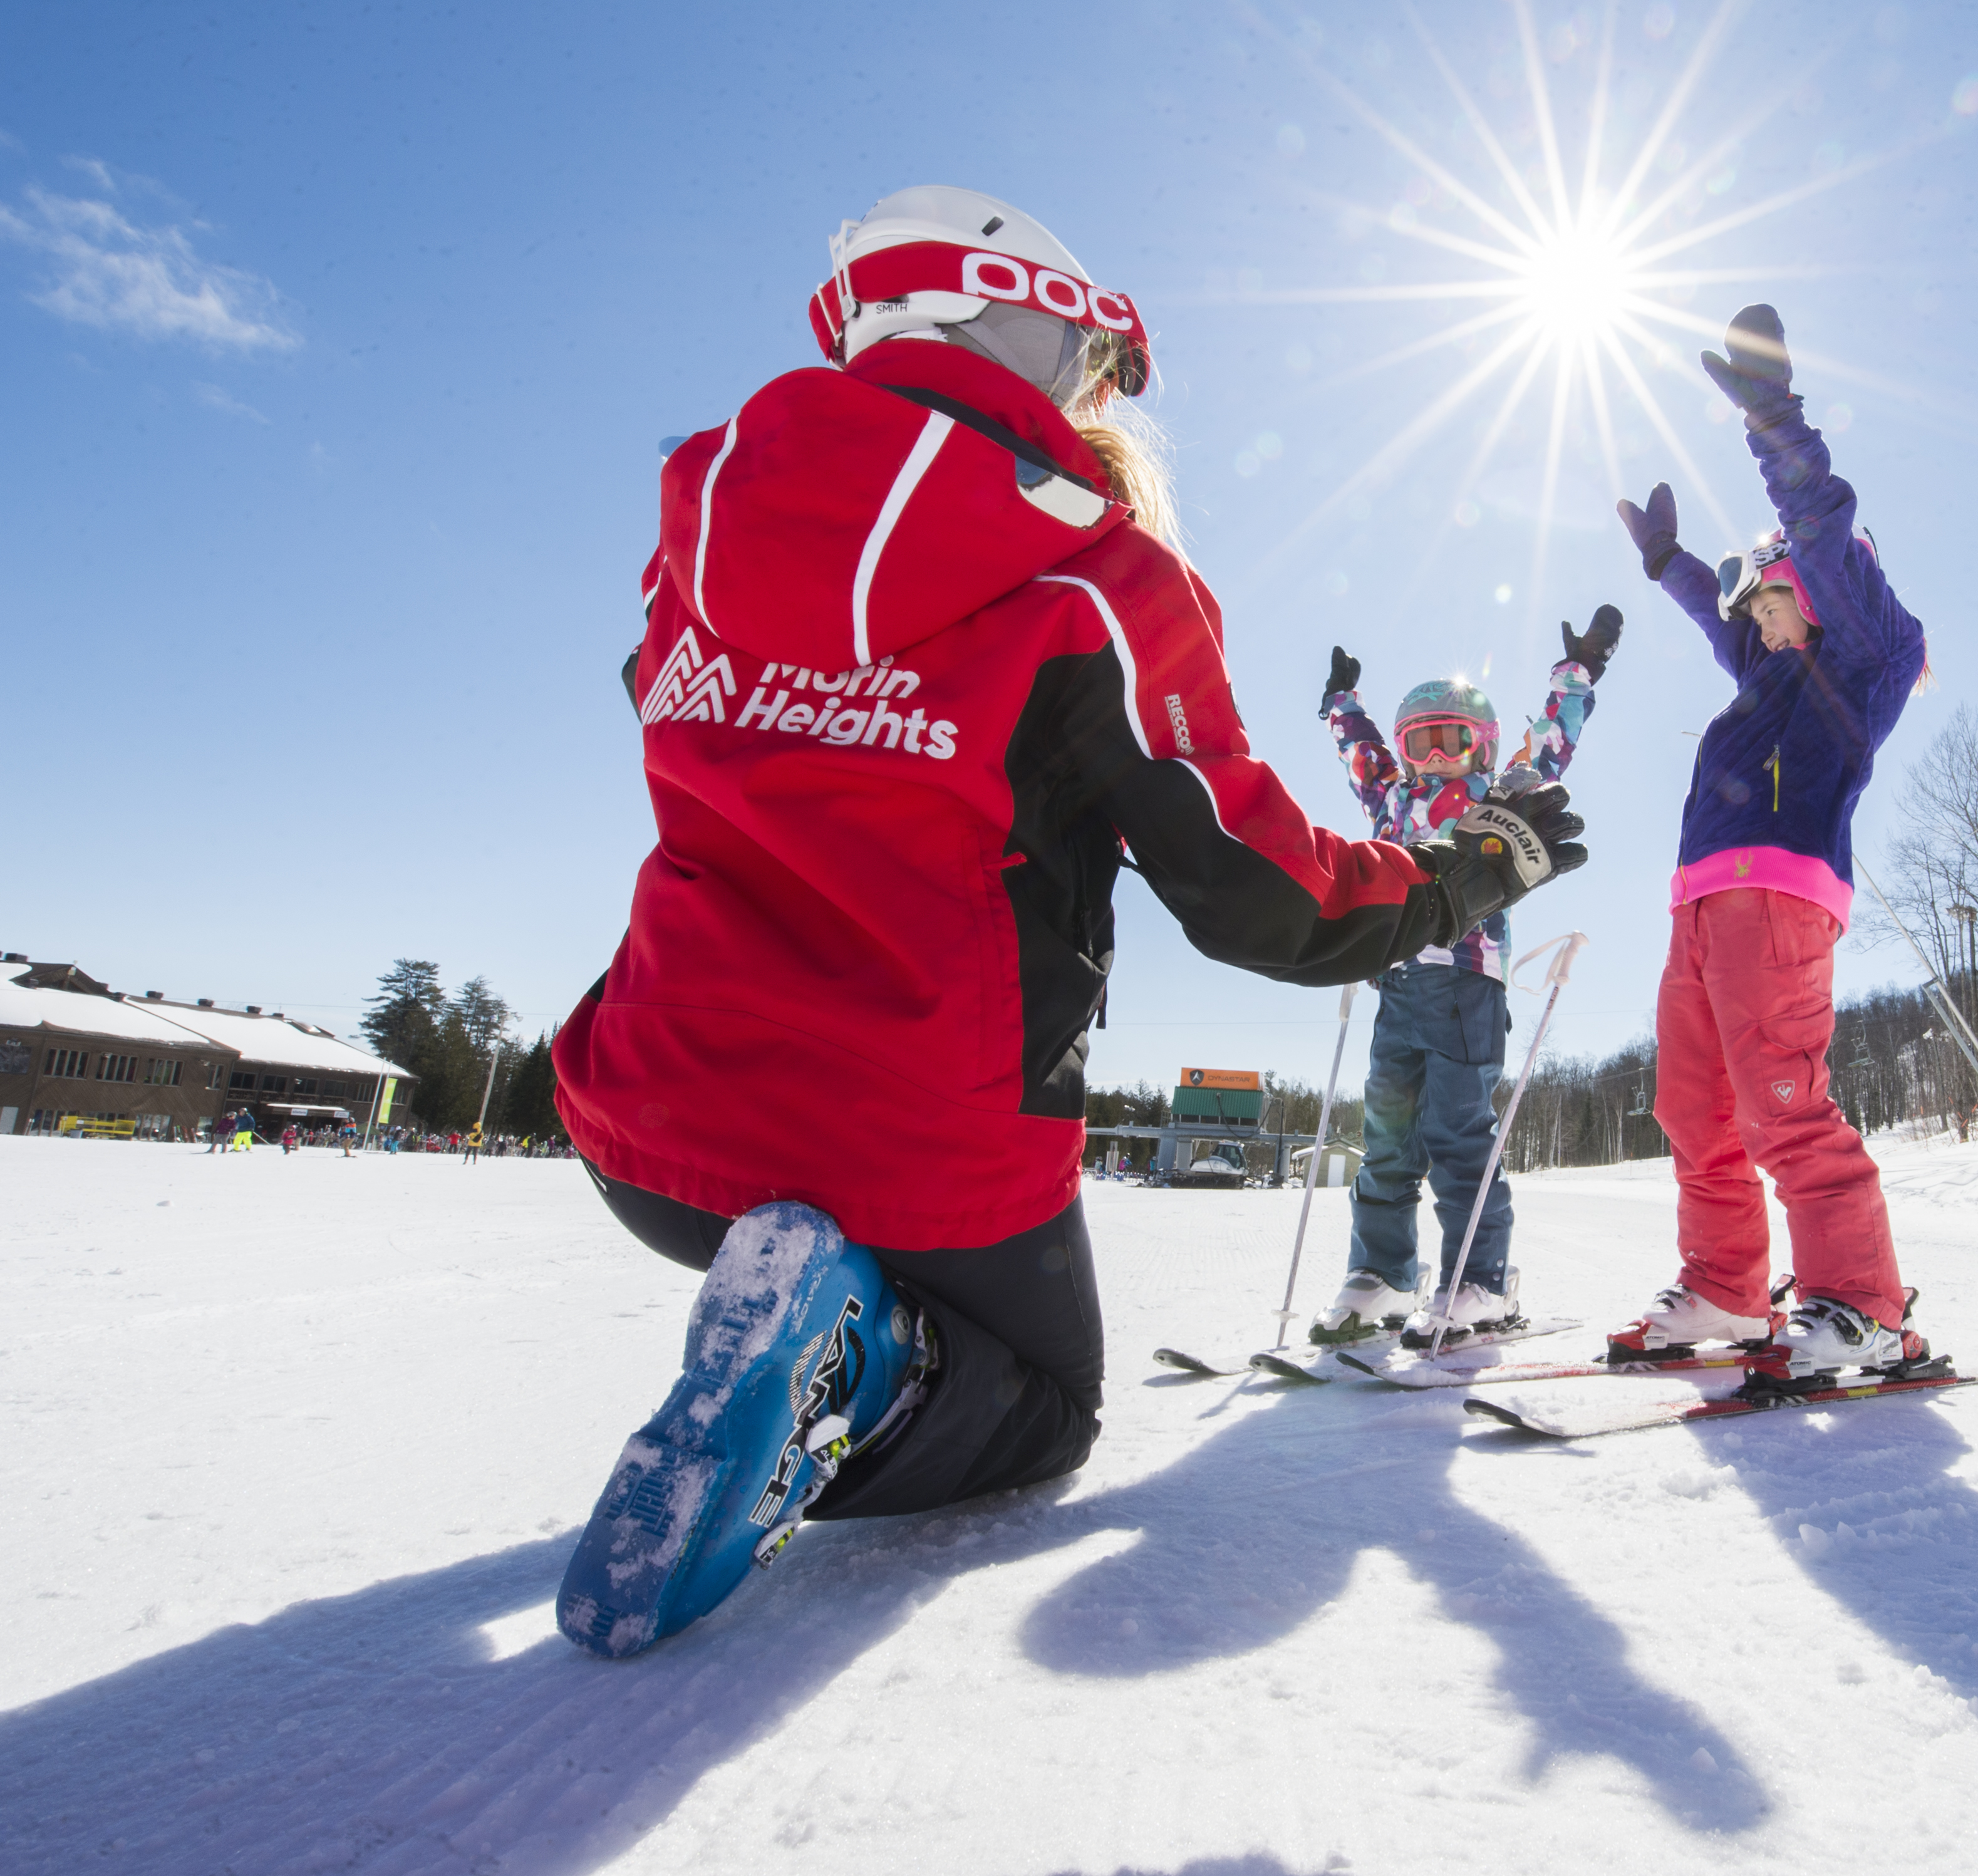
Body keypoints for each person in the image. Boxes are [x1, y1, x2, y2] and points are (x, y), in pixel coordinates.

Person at [549, 185, 1587, 1659]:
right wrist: (1464, 875)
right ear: (1018, 320)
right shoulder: (1094, 578)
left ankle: (805, 1307)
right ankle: (855, 1351)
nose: (1097, 401)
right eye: (1094, 361)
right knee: (1043, 1406)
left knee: (801, 1197)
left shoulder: (699, 525)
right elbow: (1261, 897)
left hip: (650, 1123)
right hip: (924, 1136)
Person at [1607, 304, 1934, 1387]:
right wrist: (1667, 564)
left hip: (1780, 903)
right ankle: (1729, 1290)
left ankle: (1862, 1304)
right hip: (1698, 906)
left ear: (1823, 591)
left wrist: (1774, 425)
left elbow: (1826, 539)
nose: (1748, 604)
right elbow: (1717, 616)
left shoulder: (1869, 663)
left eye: (1767, 584)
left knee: (1781, 1103)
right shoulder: (1763, 673)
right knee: (1690, 1106)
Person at [1308, 614, 1614, 1348]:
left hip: (1469, 985)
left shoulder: (1499, 795)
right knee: (1385, 1135)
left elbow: (1549, 745)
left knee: (1455, 1133)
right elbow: (1363, 755)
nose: (1439, 758)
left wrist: (1576, 674)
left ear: (1479, 745)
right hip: (1398, 985)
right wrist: (1342, 705)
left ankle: (1479, 1280)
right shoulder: (1390, 802)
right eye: (1424, 743)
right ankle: (1382, 1272)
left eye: (1454, 742)